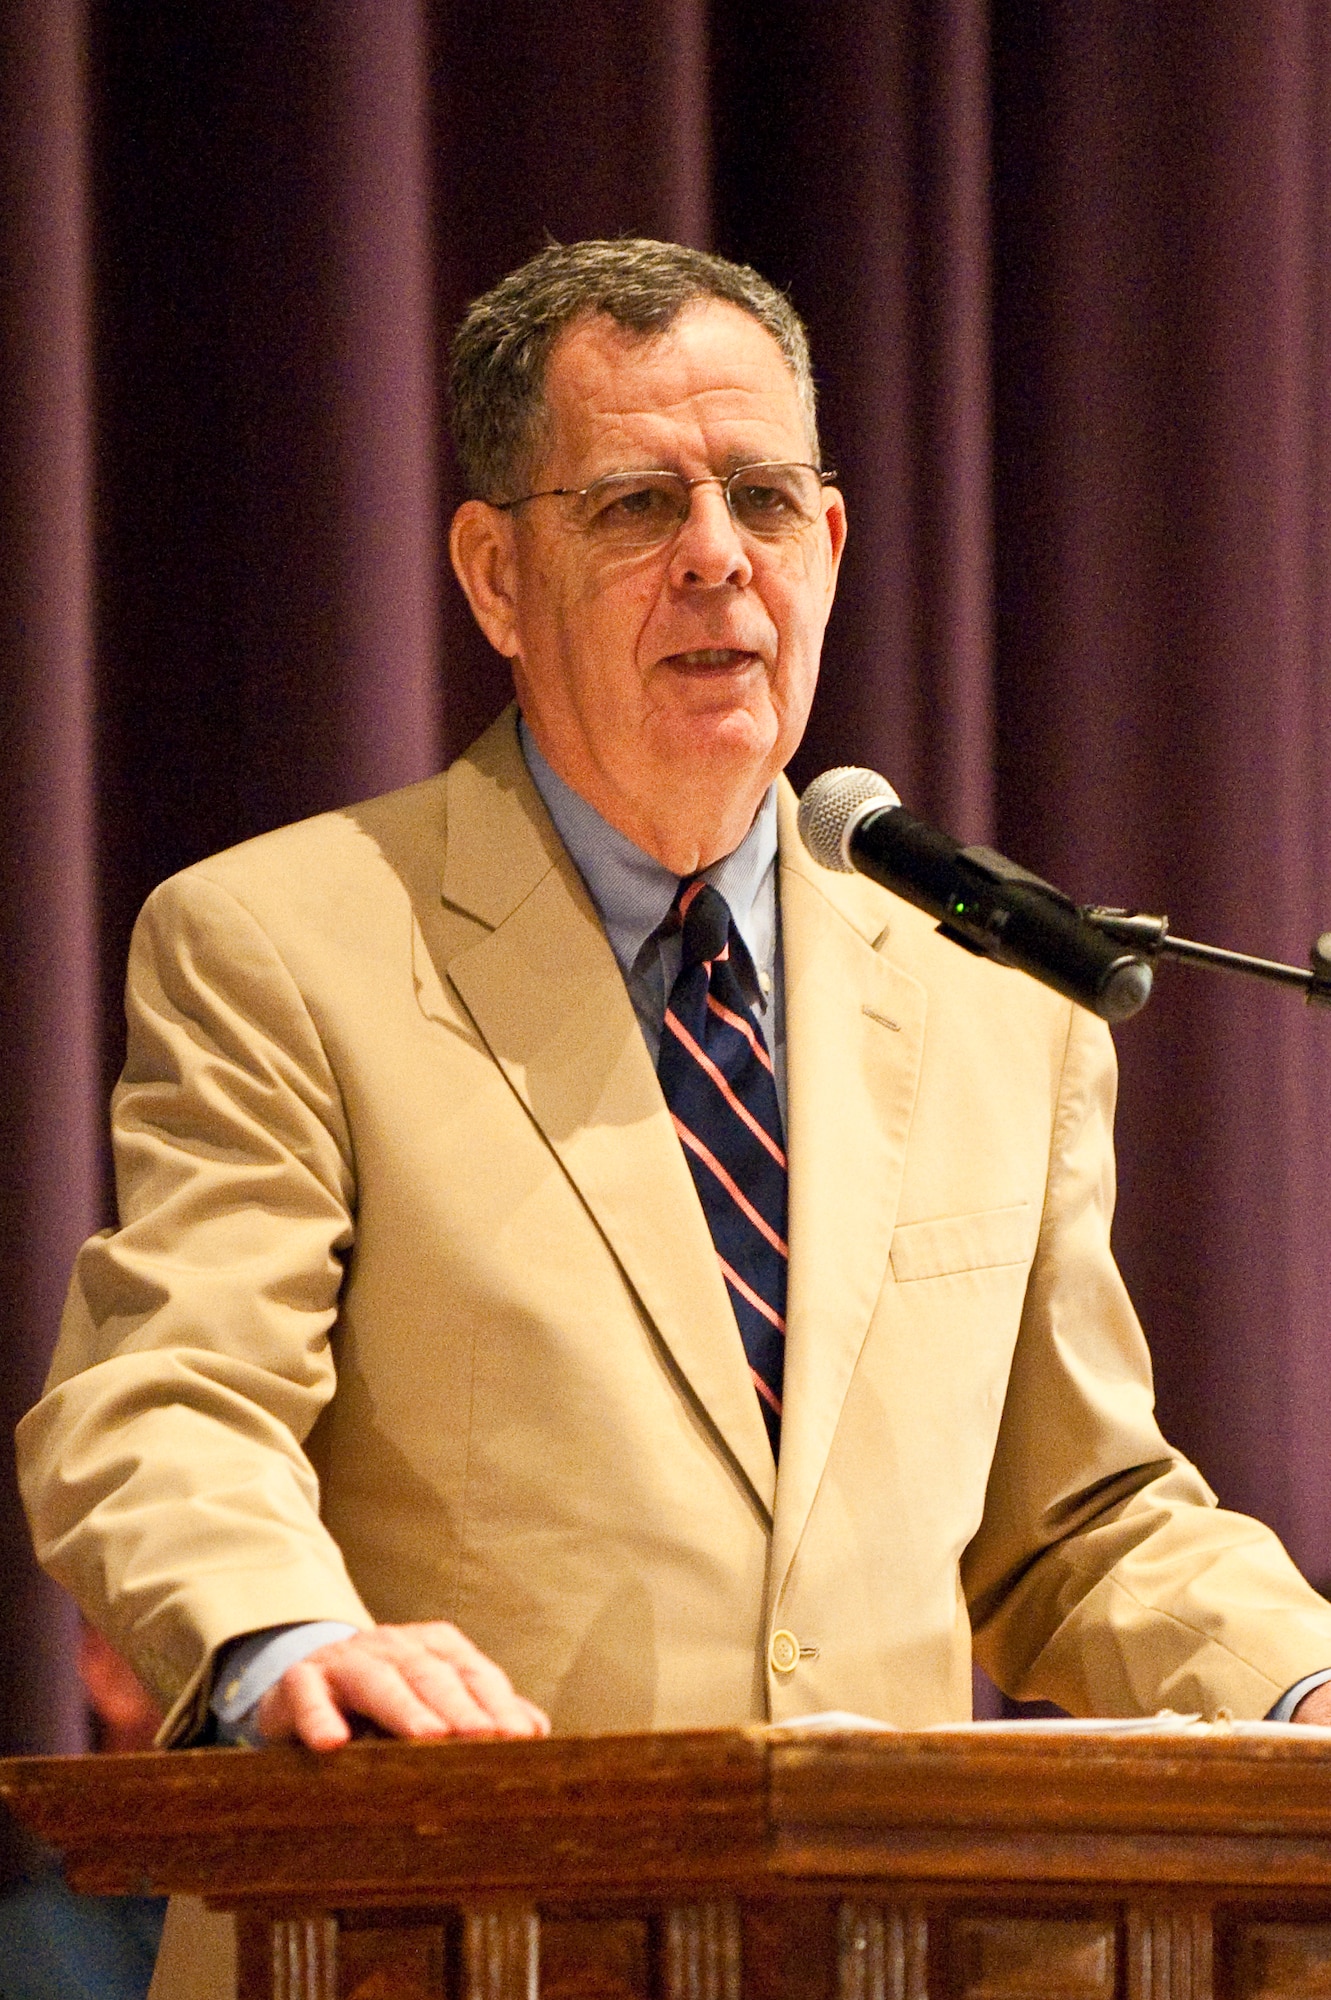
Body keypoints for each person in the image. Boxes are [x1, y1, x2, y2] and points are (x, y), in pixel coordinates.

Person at [18, 238, 1331, 1782]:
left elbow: (1079, 1525)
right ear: (497, 577)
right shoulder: (282, 946)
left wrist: (1301, 1689)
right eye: (639, 505)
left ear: (829, 548)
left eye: (764, 500)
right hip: (446, 1912)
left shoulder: (990, 994)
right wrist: (292, 1642)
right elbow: (171, 1399)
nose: (719, 555)